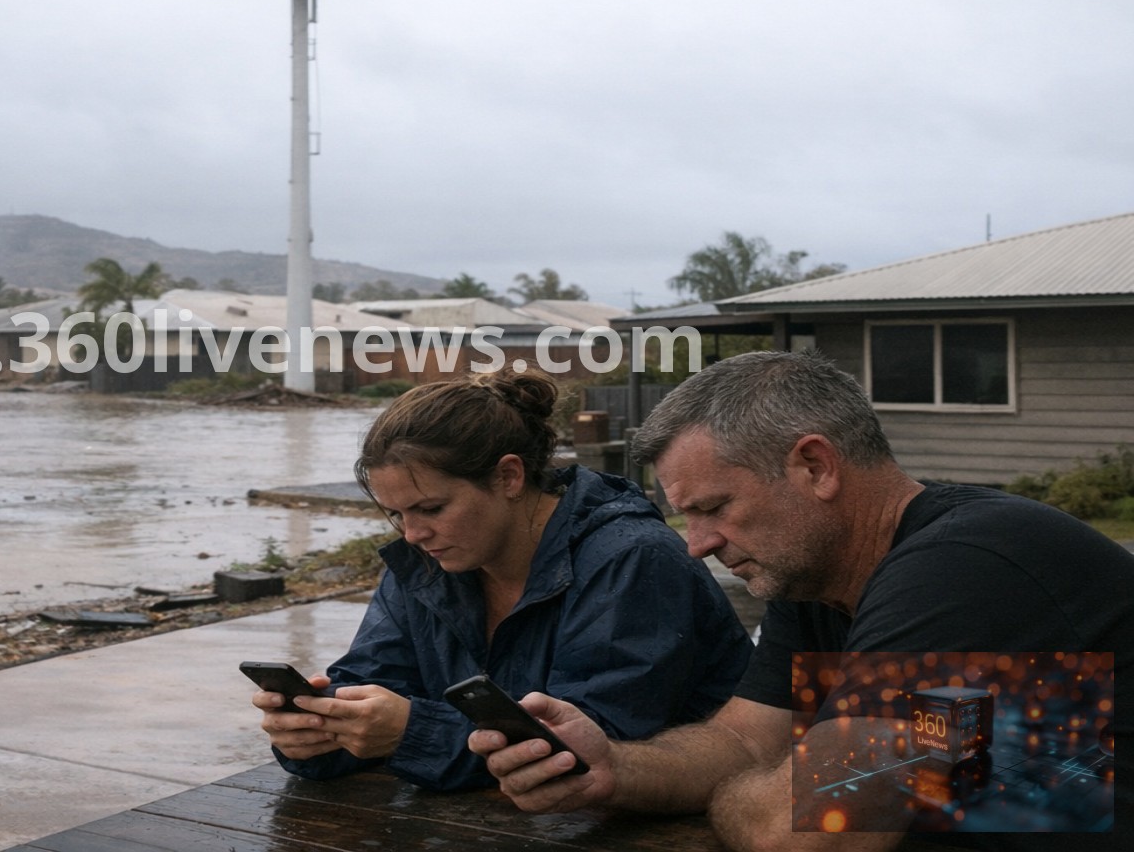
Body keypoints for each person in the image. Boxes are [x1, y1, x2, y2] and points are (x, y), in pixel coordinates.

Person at [468, 351, 1133, 851]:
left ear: (814, 466)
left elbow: (812, 828)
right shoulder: (813, 575)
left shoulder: (965, 566)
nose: (697, 545)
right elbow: (740, 739)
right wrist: (610, 769)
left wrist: (753, 791)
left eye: (714, 508)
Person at [252, 367, 752, 792]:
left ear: (509, 477)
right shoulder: (427, 564)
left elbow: (592, 743)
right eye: (395, 513)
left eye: (431, 508)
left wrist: (410, 733)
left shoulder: (633, 559)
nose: (412, 534)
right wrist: (315, 734)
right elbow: (373, 682)